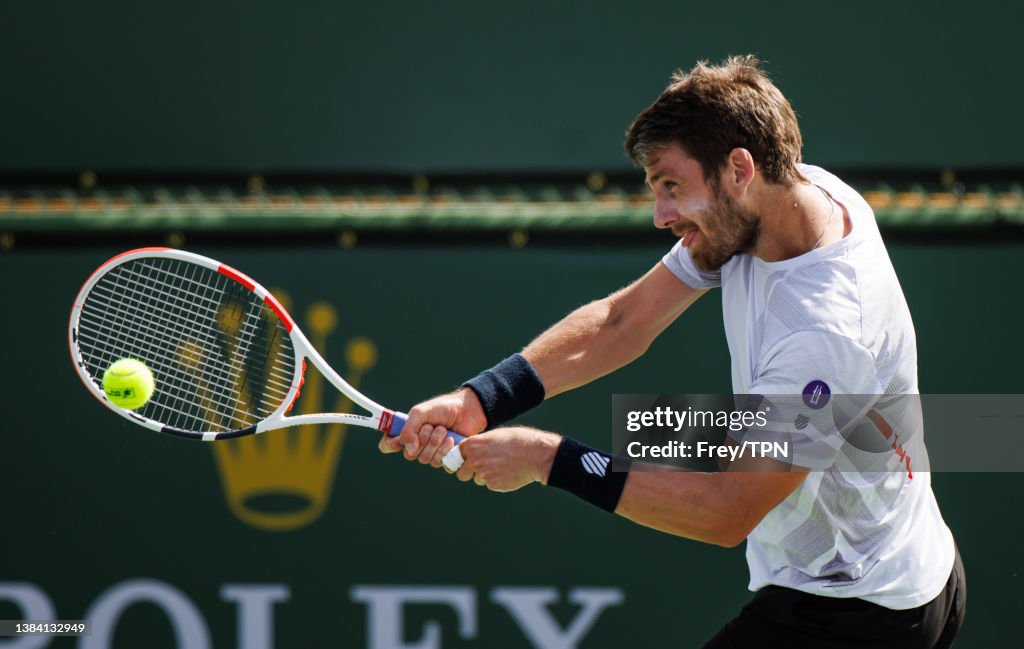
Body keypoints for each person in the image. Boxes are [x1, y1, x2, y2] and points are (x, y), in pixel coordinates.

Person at [379, 55, 965, 648]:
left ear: (738, 168)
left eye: (672, 187)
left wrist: (546, 459)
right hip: (905, 566)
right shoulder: (780, 199)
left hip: (859, 612)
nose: (661, 215)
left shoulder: (824, 335)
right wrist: (480, 400)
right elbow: (622, 321)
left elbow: (726, 512)